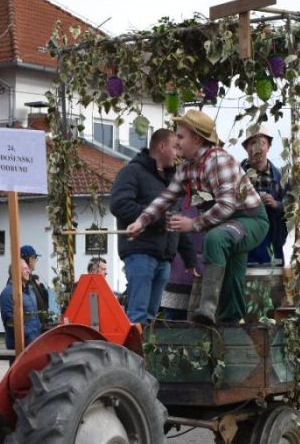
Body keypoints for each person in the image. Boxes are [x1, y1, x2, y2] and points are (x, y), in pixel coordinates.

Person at [128, 110, 267, 325]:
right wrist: (141, 221)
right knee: (232, 274)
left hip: (250, 219)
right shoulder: (187, 168)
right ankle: (230, 323)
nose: (177, 141)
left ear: (197, 138)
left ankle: (207, 309)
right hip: (227, 223)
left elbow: (228, 204)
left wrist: (193, 224)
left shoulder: (218, 161)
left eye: (181, 136)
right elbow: (166, 198)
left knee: (215, 238)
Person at [109, 128, 193, 324]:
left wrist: (189, 258)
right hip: (140, 252)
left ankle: (144, 351)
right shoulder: (132, 172)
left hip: (164, 256)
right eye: (175, 147)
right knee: (138, 315)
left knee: (151, 316)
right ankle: (134, 352)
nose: (178, 153)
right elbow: (119, 204)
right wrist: (158, 220)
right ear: (162, 146)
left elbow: (177, 218)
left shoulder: (173, 181)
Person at [240, 126, 288, 265]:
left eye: (262, 142)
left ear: (269, 146)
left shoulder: (281, 178)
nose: (257, 147)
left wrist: (277, 204)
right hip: (243, 245)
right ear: (246, 148)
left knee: (272, 283)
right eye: (252, 143)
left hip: (272, 245)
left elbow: (294, 208)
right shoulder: (236, 175)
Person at [0, 261, 40, 350]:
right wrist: (28, 334)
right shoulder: (8, 293)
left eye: (28, 268)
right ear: (16, 271)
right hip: (20, 346)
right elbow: (10, 320)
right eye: (25, 269)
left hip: (34, 343)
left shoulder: (30, 291)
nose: (28, 271)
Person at [19, 245, 60, 329]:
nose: (36, 261)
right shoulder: (23, 282)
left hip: (37, 328)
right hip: (31, 331)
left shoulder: (31, 280)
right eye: (35, 259)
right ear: (30, 260)